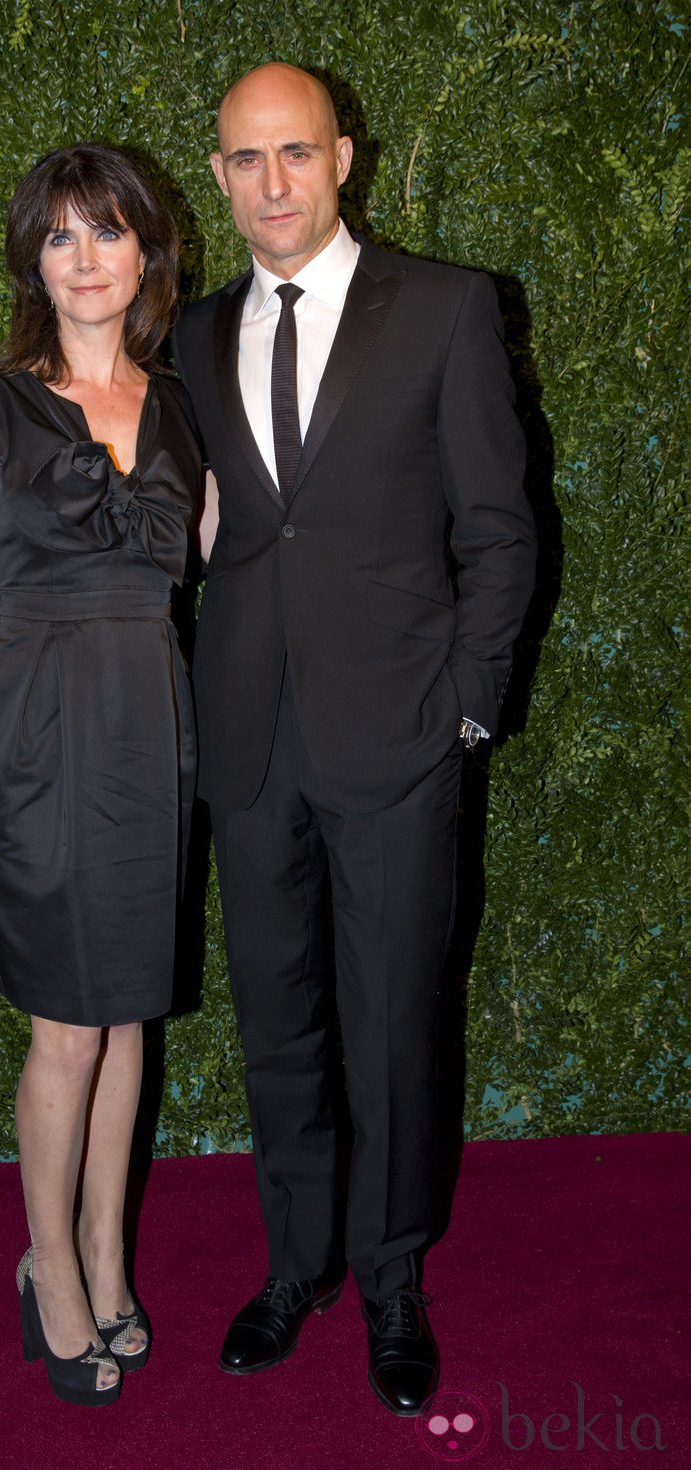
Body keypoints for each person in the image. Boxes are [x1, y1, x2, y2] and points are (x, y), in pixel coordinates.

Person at [172, 63, 537, 1414]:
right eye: (245, 158)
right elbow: (161, 513)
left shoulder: (445, 307)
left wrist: (469, 702)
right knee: (279, 1022)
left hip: (399, 737)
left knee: (392, 1025)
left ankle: (390, 1280)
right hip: (249, 736)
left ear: (343, 159)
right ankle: (296, 1263)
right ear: (218, 173)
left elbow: (500, 529)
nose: (272, 182)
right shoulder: (192, 336)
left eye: (296, 153)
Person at [0, 145, 202, 1407]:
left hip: (152, 724)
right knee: (66, 1024)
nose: (84, 259)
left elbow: (233, 549)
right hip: (40, 727)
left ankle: (111, 1261)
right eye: (59, 237)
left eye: (107, 233)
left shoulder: (180, 408)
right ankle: (50, 1271)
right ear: (33, 259)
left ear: (146, 254)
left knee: (126, 1014)